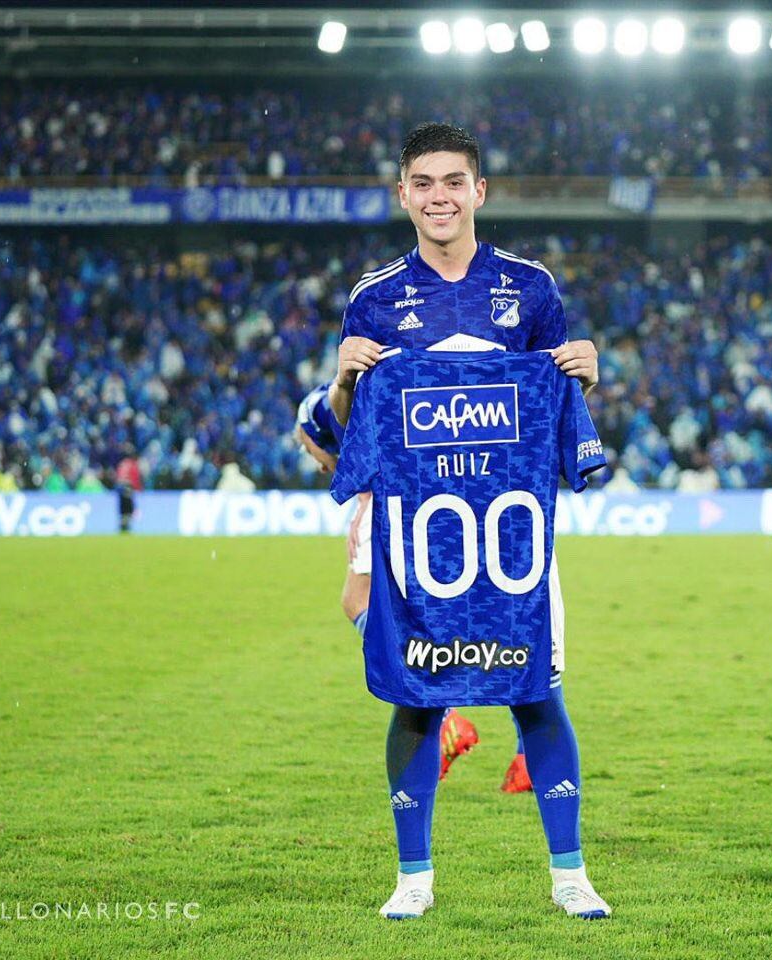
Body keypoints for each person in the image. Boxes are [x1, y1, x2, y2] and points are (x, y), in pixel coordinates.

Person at [329, 122, 608, 920]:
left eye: (454, 181)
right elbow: (352, 440)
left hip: (511, 535)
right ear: (404, 195)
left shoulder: (531, 289)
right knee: (415, 696)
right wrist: (346, 383)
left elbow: (555, 410)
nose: (440, 196)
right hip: (416, 536)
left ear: (479, 191)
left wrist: (588, 374)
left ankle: (570, 875)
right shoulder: (375, 299)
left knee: (535, 692)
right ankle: (413, 878)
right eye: (424, 183)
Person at [295, 383, 485, 783]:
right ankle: (523, 751)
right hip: (440, 498)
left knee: (357, 600)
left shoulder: (317, 411)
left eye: (305, 450)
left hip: (392, 502)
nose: (314, 463)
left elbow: (366, 435)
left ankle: (446, 716)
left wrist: (365, 497)